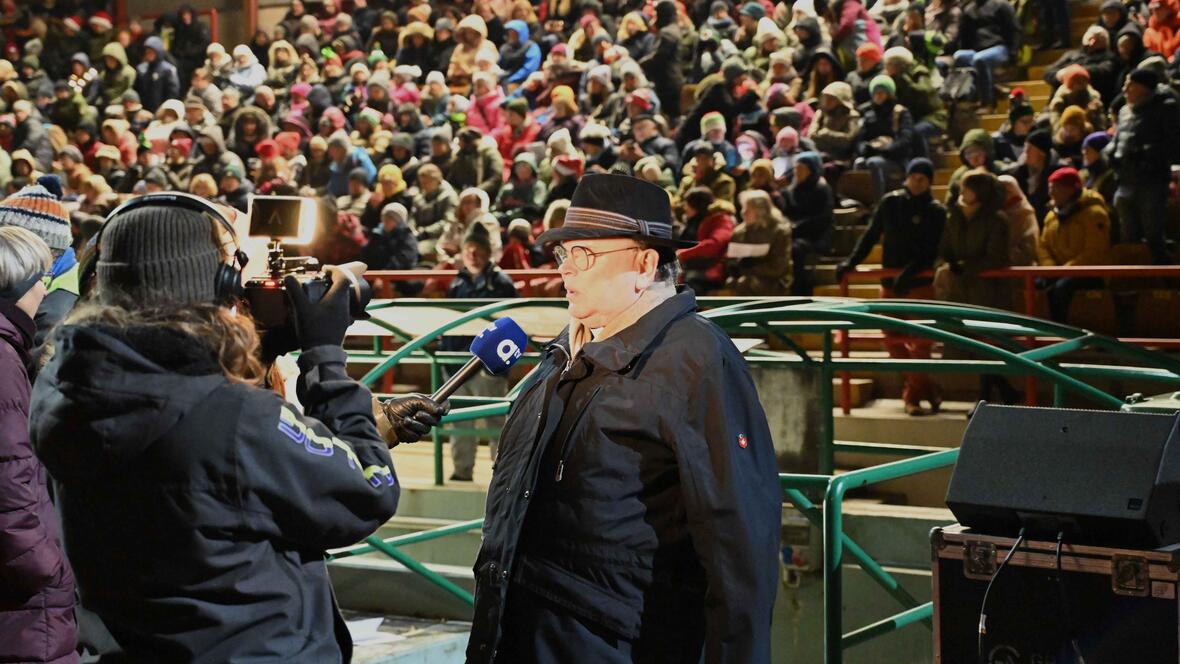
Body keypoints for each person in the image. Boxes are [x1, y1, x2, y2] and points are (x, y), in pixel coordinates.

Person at [30, 197, 448, 661]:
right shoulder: (234, 417)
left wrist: (261, 351)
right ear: (217, 282)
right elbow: (368, 491)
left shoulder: (62, 389)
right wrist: (326, 360)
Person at [466, 173, 780, 662]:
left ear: (644, 264)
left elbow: (738, 547)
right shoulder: (566, 349)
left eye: (584, 254)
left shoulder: (698, 361)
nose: (565, 268)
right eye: (563, 252)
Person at [0, 226, 77, 664]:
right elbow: (9, 473)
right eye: (41, 280)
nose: (45, 291)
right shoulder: (3, 359)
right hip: (22, 596)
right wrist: (46, 564)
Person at [838, 158, 947, 415]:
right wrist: (851, 261)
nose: (917, 182)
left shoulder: (936, 211)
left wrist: (910, 272)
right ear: (907, 177)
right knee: (892, 340)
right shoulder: (890, 203)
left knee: (921, 343)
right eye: (914, 176)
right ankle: (928, 387)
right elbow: (871, 235)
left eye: (923, 178)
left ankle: (912, 396)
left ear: (929, 182)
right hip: (889, 284)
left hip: (920, 285)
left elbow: (932, 251)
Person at [1105, 67, 1180, 263]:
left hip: (1151, 182)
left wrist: (1145, 153)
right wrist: (1111, 152)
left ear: (1143, 87)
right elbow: (1119, 138)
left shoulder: (1166, 108)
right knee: (1129, 238)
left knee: (1153, 236)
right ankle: (1136, 278)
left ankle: (1163, 276)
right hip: (1125, 180)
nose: (1125, 89)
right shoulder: (1124, 111)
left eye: (1130, 85)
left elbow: (1173, 143)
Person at [1037, 167, 1113, 322]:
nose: (1051, 193)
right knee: (1037, 285)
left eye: (1055, 188)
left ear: (1070, 189)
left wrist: (1066, 270)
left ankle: (1064, 329)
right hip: (1059, 272)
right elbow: (1043, 246)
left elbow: (1095, 251)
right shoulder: (1052, 216)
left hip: (1089, 273)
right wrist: (1050, 267)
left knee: (1062, 288)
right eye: (1050, 188)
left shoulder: (1094, 214)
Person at [727, 188, 794, 294]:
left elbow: (780, 266)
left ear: (761, 211)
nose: (744, 212)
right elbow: (731, 259)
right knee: (733, 282)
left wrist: (752, 268)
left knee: (749, 283)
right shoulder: (739, 232)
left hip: (773, 280)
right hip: (745, 277)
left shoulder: (779, 231)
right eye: (744, 207)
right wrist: (735, 266)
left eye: (749, 208)